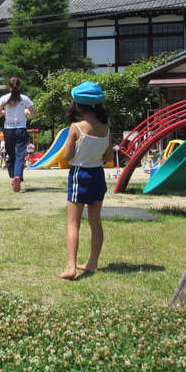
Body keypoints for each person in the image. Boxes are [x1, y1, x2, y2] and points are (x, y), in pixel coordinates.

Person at [58, 82, 114, 280]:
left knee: (73, 223)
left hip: (79, 175)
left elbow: (66, 156)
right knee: (95, 221)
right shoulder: (106, 129)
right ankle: (92, 263)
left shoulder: (76, 128)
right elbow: (109, 158)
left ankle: (71, 266)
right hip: (97, 176)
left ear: (78, 106)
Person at [0, 76, 37, 192]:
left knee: (11, 154)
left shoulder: (4, 98)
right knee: (20, 155)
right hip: (21, 129)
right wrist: (25, 112)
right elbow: (33, 114)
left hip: (8, 129)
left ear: (9, 86)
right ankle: (18, 175)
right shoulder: (24, 98)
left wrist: (5, 112)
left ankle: (13, 176)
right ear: (19, 86)